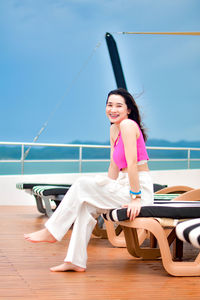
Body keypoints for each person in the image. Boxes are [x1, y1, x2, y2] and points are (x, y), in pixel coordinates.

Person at [24, 88, 153, 272]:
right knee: (85, 206)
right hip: (123, 185)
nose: (113, 109)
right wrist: (107, 187)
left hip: (138, 187)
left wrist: (136, 198)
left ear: (128, 110)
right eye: (109, 105)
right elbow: (113, 166)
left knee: (82, 184)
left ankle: (52, 231)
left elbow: (132, 164)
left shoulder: (128, 126)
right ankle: (75, 261)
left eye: (118, 106)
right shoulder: (114, 129)